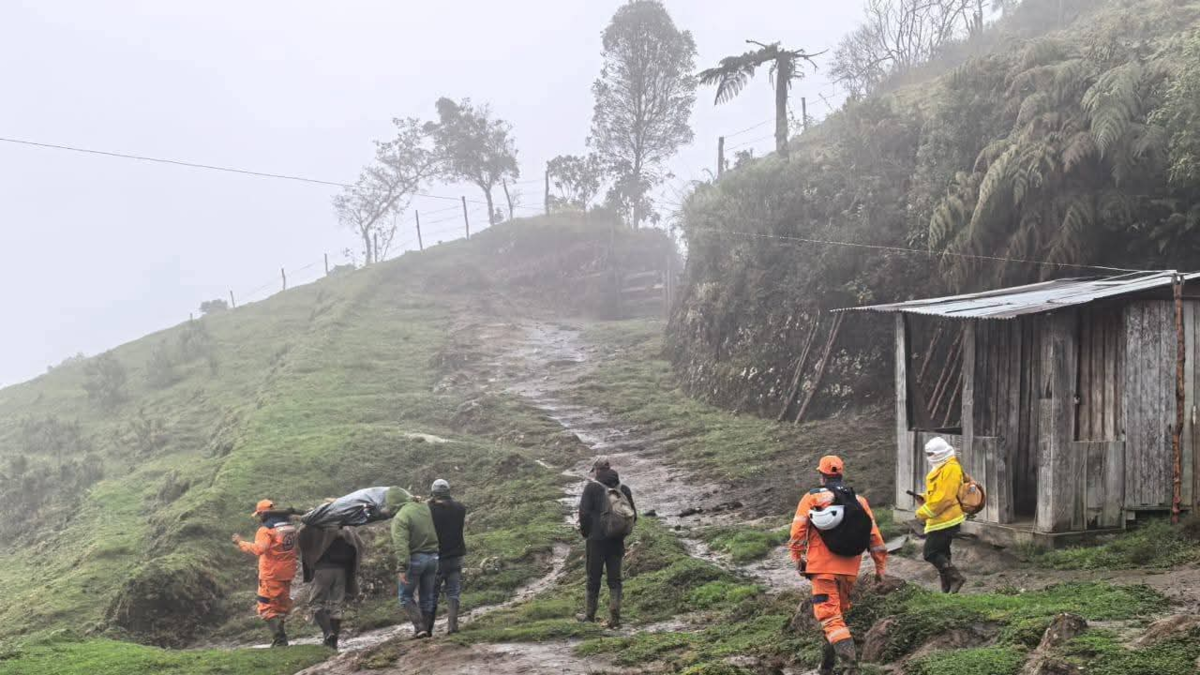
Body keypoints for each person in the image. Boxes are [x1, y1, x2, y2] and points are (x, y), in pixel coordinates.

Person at [789, 456, 888, 675]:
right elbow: (874, 537)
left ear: (821, 476)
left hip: (822, 568)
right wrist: (880, 568)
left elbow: (797, 532)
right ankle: (826, 667)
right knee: (836, 617)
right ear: (841, 473)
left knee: (829, 617)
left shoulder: (813, 497)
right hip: (849, 569)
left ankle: (851, 668)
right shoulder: (859, 501)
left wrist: (797, 558)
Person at [576, 457, 636, 629]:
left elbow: (584, 514)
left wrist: (587, 533)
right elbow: (633, 515)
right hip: (616, 541)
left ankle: (589, 615)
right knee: (615, 580)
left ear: (597, 470)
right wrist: (619, 533)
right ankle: (615, 617)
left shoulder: (592, 488)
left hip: (596, 540)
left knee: (593, 577)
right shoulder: (623, 489)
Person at [233, 499, 299, 647]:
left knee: (266, 607)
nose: (259, 518)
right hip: (287, 572)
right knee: (281, 607)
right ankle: (280, 640)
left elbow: (259, 549)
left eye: (259, 514)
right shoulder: (289, 527)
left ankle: (280, 640)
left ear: (263, 514)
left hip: (271, 575)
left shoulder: (265, 530)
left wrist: (240, 543)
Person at [298, 524, 365, 650]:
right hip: (341, 570)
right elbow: (360, 545)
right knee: (336, 605)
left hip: (323, 569)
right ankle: (333, 644)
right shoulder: (347, 528)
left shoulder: (319, 527)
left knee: (315, 603)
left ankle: (328, 633)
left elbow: (303, 537)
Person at [916, 437, 967, 594]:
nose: (929, 457)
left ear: (940, 453)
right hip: (941, 518)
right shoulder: (942, 466)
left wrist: (922, 513)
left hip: (946, 519)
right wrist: (925, 497)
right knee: (943, 552)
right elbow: (939, 493)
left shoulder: (951, 468)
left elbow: (945, 498)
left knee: (930, 552)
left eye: (931, 453)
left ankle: (956, 578)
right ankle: (947, 588)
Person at [389, 487, 439, 638]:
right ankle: (428, 630)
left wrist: (401, 567)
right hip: (433, 558)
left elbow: (401, 545)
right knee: (427, 596)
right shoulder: (423, 507)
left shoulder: (400, 517)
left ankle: (420, 628)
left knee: (405, 596)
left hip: (416, 560)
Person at [428, 478, 467, 635]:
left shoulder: (429, 510)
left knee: (432, 595)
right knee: (453, 593)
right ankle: (453, 627)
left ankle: (427, 629)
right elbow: (449, 505)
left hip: (437, 558)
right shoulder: (460, 508)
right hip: (456, 557)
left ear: (433, 493)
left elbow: (429, 506)